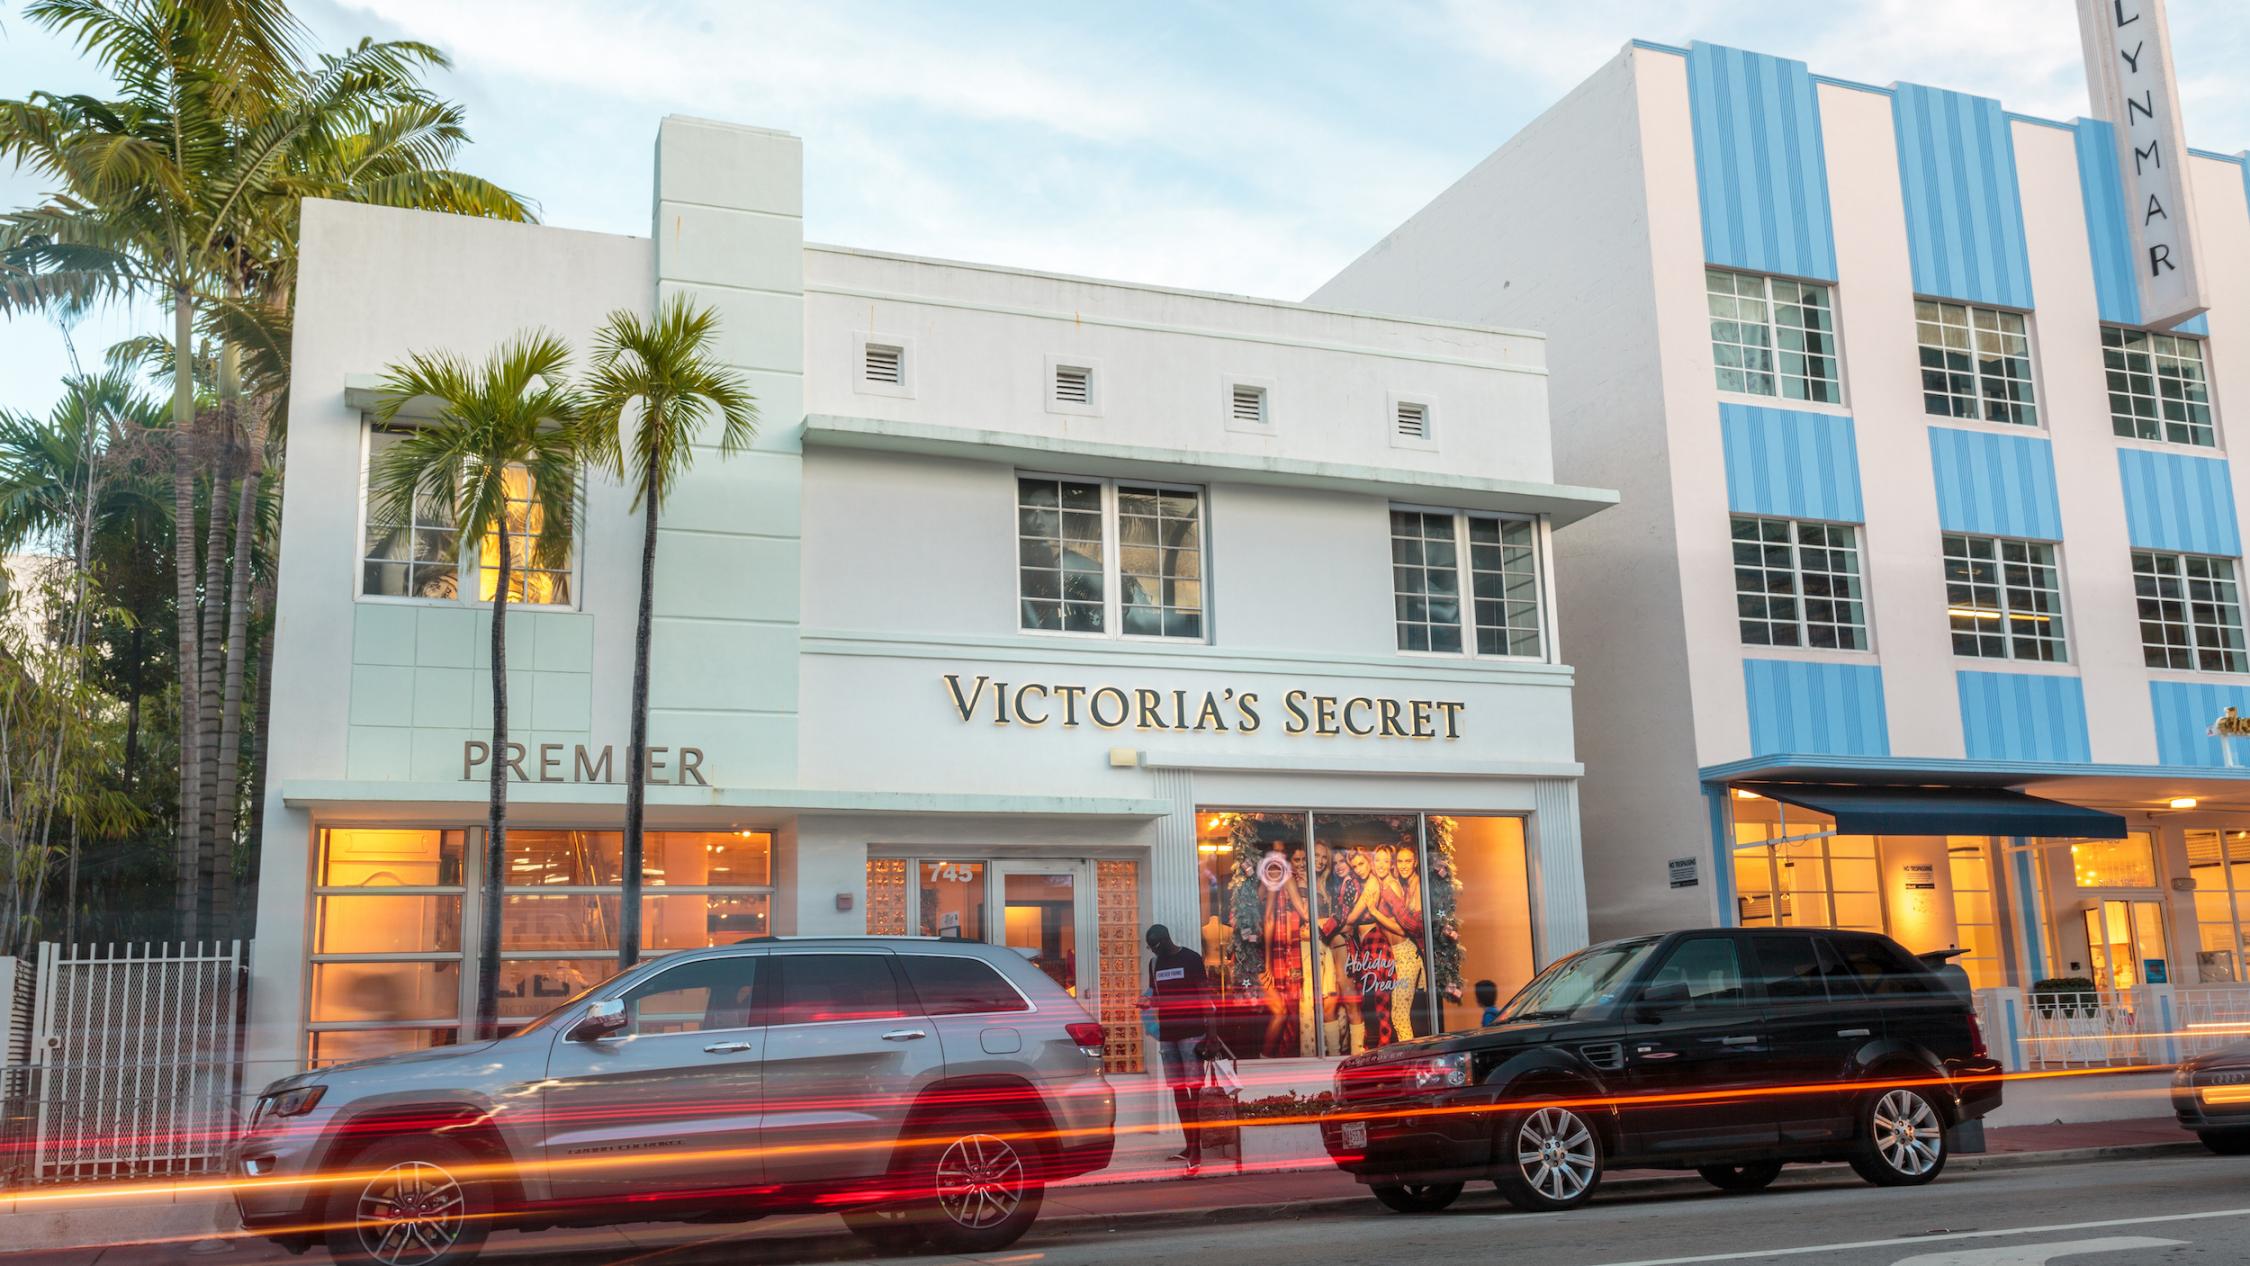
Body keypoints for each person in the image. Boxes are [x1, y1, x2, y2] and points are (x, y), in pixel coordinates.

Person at [1141, 923, 1216, 1169]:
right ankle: (1189, 1144)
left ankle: (1197, 1149)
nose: (1152, 951)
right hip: (1168, 1035)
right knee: (1178, 1090)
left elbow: (1206, 999)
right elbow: (1156, 994)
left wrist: (1211, 1035)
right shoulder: (1154, 964)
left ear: (1163, 942)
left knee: (1195, 1092)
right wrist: (1146, 1002)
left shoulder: (1191, 959)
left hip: (1192, 1034)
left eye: (1153, 947)